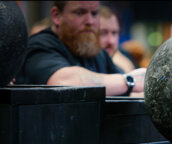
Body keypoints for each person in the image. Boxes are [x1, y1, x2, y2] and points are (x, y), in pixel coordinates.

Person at [16, 1, 145, 96]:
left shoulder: (97, 53)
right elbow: (63, 81)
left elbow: (127, 91)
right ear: (56, 16)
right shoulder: (40, 45)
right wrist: (129, 81)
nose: (90, 21)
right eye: (80, 12)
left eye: (94, 13)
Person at [99, 5, 136, 74]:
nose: (111, 41)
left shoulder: (124, 62)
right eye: (103, 33)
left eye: (114, 33)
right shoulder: (79, 65)